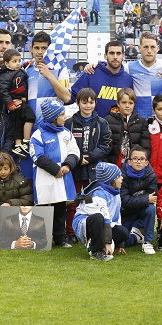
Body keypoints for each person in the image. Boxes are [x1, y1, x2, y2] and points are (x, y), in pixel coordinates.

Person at [64, 87, 112, 243]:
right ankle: (71, 233)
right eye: (84, 102)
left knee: (94, 201)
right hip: (75, 167)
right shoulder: (69, 123)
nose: (88, 106)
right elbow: (64, 145)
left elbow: (106, 145)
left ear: (95, 103)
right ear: (77, 103)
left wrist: (90, 157)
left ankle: (92, 233)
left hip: (94, 169)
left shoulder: (102, 123)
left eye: (91, 102)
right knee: (73, 202)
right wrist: (77, 159)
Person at [30, 98, 80, 247]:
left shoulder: (66, 133)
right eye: (62, 114)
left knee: (60, 209)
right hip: (45, 178)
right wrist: (55, 169)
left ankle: (60, 238)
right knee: (44, 209)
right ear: (52, 117)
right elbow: (37, 156)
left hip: (62, 177)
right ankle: (40, 239)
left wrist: (67, 165)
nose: (65, 117)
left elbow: (75, 151)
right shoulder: (38, 135)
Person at [72, 162, 128, 261]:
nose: (122, 178)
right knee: (98, 217)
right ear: (111, 181)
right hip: (86, 223)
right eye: (119, 176)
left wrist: (120, 244)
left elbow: (116, 217)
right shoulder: (98, 195)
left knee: (123, 232)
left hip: (104, 224)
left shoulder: (115, 192)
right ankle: (96, 252)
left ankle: (98, 243)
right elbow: (105, 220)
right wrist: (107, 242)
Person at [70, 41, 134, 118]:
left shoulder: (128, 79)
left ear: (123, 56)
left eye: (118, 53)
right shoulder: (91, 73)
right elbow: (71, 97)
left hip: (118, 128)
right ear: (105, 56)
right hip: (94, 127)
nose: (115, 57)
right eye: (111, 53)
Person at [0, 48, 36, 158]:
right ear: (7, 63)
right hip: (15, 103)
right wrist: (10, 104)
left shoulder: (16, 70)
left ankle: (18, 145)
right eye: (14, 61)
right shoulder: (4, 76)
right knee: (30, 117)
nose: (18, 63)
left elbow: (21, 69)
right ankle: (26, 142)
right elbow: (3, 91)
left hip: (19, 101)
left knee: (17, 123)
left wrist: (27, 63)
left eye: (19, 60)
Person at [119, 145, 158, 255]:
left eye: (141, 159)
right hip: (125, 212)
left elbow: (153, 199)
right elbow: (124, 201)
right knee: (121, 242)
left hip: (141, 211)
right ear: (129, 161)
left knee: (150, 208)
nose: (138, 162)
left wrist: (144, 200)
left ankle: (147, 241)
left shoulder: (152, 176)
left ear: (146, 162)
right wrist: (145, 198)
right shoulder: (122, 176)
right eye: (135, 158)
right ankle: (136, 237)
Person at [105, 88, 149, 167]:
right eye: (124, 102)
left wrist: (141, 163)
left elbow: (146, 147)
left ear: (134, 104)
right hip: (113, 164)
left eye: (130, 103)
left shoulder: (141, 122)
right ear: (118, 103)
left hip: (133, 165)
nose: (127, 106)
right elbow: (104, 145)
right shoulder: (107, 120)